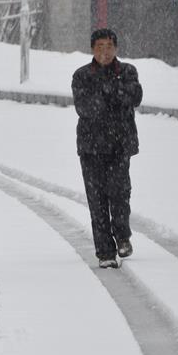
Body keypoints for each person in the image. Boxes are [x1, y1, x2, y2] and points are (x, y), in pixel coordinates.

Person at [71, 28, 143, 269]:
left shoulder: (128, 71)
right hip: (91, 148)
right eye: (100, 46)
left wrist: (107, 94)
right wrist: (112, 95)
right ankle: (105, 251)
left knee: (120, 194)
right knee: (97, 199)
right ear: (92, 49)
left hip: (119, 146)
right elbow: (86, 108)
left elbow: (134, 97)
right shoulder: (81, 75)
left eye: (110, 46)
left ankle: (122, 236)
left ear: (117, 49)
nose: (105, 51)